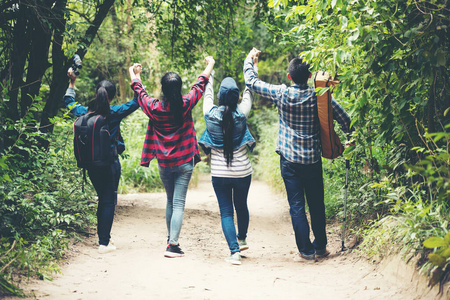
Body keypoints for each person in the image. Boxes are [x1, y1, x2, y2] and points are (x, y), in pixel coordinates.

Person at [243, 48, 353, 261]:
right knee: (316, 203)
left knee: (296, 206)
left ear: (289, 77)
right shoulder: (320, 97)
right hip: (312, 159)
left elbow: (252, 83)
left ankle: (306, 250)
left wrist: (250, 60)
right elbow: (346, 119)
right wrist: (350, 137)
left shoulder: (281, 93)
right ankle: (320, 246)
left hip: (289, 161)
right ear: (310, 76)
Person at [128, 57, 215, 258]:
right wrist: (210, 63)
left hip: (164, 162)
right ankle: (172, 244)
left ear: (163, 88)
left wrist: (135, 73)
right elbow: (201, 84)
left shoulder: (154, 107)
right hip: (184, 160)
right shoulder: (186, 103)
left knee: (170, 200)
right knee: (178, 203)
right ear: (179, 87)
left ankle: (171, 239)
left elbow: (139, 92)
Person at [65, 68, 140, 254]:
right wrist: (135, 76)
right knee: (108, 200)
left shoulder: (84, 112)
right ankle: (104, 243)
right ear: (112, 97)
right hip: (109, 164)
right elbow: (138, 102)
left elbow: (68, 102)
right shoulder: (114, 112)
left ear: (96, 93)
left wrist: (72, 82)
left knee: (102, 198)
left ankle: (103, 239)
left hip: (91, 164)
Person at [198, 65, 257, 265]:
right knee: (241, 205)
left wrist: (210, 68)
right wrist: (252, 64)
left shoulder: (209, 113)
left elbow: (207, 91)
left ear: (221, 97)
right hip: (243, 172)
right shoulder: (242, 113)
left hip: (219, 174)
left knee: (226, 211)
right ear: (236, 97)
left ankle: (234, 252)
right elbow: (250, 89)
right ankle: (242, 239)